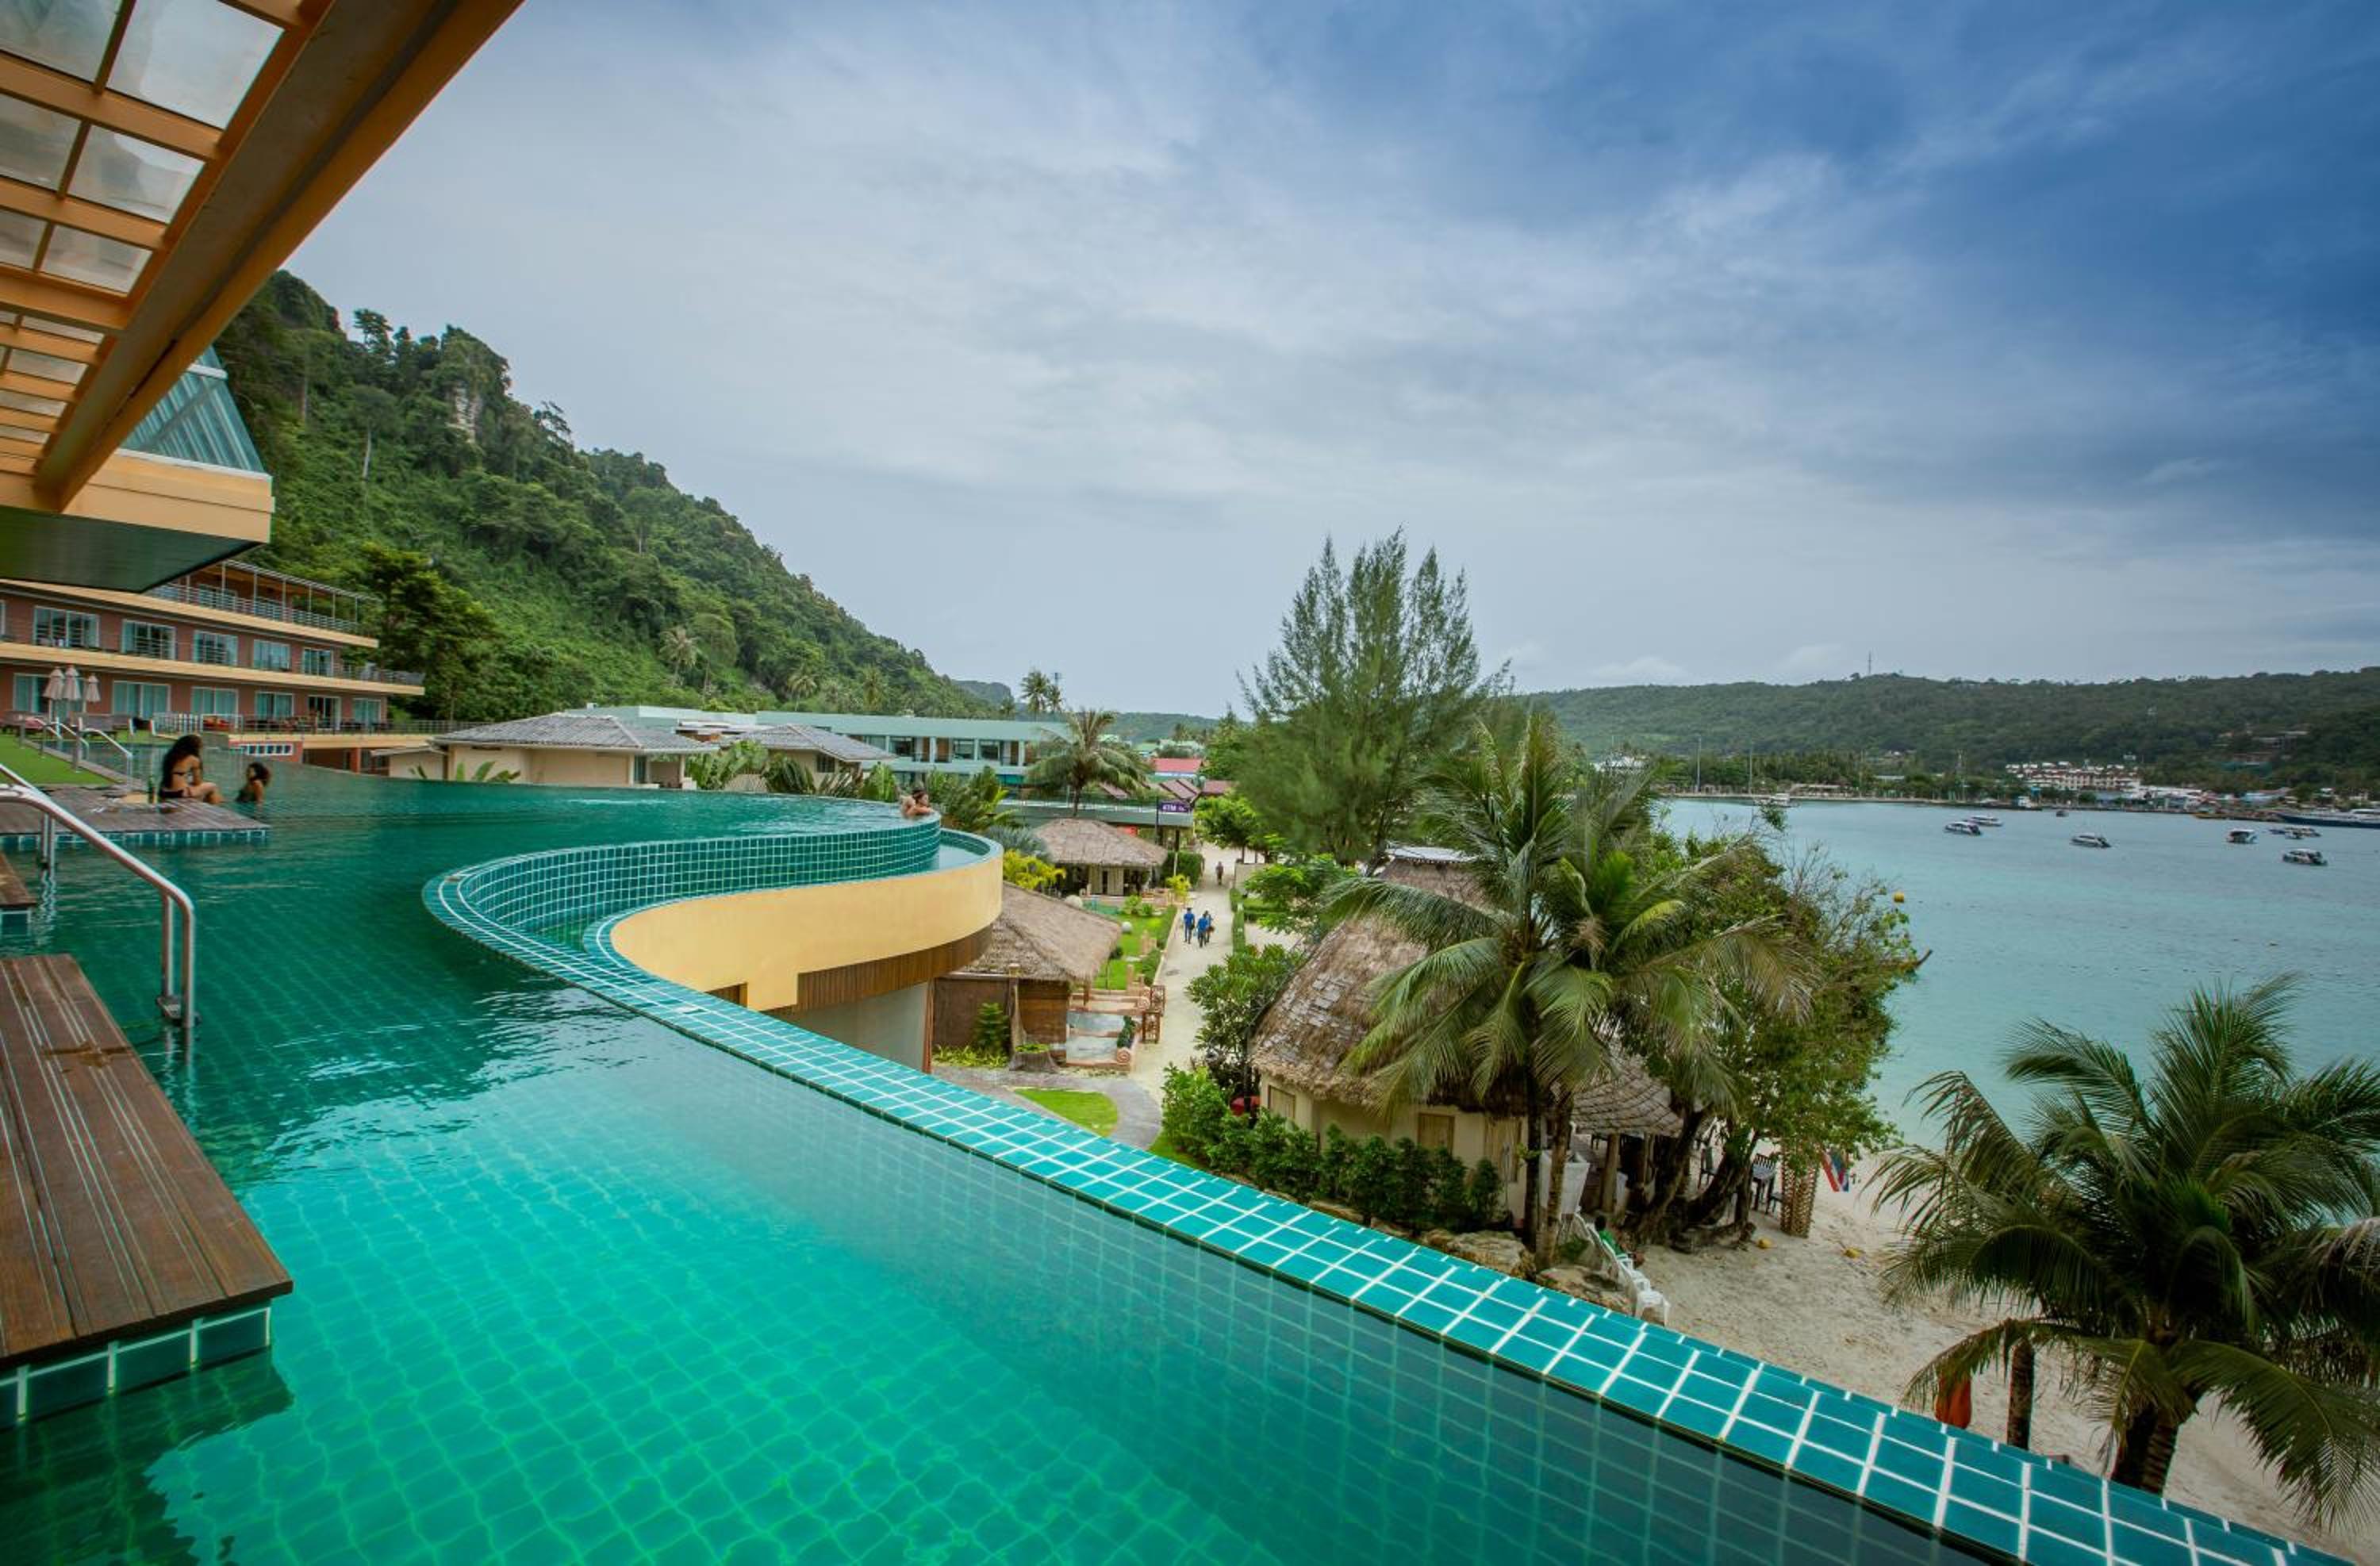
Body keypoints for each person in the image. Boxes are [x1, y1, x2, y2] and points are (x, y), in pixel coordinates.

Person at [158, 735, 223, 804]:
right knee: (212, 786)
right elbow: (198, 782)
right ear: (195, 748)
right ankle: (214, 809)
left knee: (198, 791)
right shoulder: (193, 759)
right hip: (178, 793)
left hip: (163, 792)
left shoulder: (170, 756)